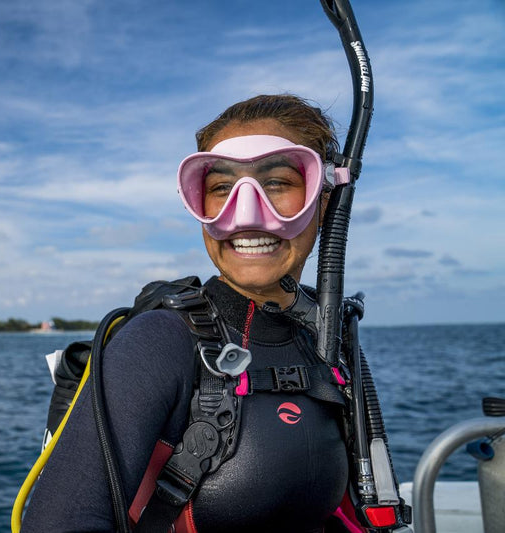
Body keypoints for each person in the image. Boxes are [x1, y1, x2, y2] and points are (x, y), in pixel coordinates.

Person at [21, 94, 362, 532]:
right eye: (221, 188)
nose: (246, 214)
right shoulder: (158, 341)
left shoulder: (328, 339)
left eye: (277, 183)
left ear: (325, 201)